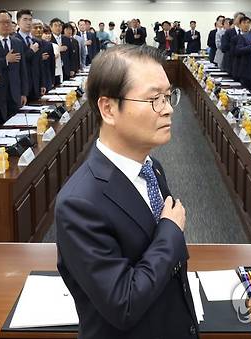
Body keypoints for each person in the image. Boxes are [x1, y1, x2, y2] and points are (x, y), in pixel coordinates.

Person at [56, 43, 198, 339]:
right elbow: (124, 303)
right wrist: (171, 231)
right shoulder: (79, 203)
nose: (169, 108)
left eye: (169, 96)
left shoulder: (151, 167)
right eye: (154, 99)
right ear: (108, 108)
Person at [0, 10, 28, 116]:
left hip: (15, 93)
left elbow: (22, 69)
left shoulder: (17, 42)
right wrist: (5, 60)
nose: (6, 25)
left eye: (9, 22)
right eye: (2, 22)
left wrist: (24, 93)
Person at [14, 10, 47, 101]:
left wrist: (42, 83)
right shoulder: (14, 40)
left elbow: (40, 64)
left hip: (36, 84)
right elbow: (19, 61)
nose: (28, 22)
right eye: (25, 19)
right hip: (22, 86)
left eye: (30, 19)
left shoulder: (37, 41)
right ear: (18, 22)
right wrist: (31, 51)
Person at [32, 19, 54, 92]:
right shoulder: (28, 43)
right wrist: (39, 58)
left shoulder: (48, 44)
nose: (38, 30)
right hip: (33, 80)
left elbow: (52, 64)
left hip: (47, 79)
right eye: (35, 28)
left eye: (40, 28)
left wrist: (52, 81)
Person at [233, 16, 251, 88]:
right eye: (244, 23)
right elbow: (235, 52)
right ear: (239, 25)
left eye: (248, 23)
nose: (246, 25)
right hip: (240, 67)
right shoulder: (236, 37)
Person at [50, 17, 72, 83]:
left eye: (60, 26)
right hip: (55, 70)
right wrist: (58, 49)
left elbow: (71, 55)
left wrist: (72, 69)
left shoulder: (66, 39)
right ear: (51, 27)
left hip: (66, 69)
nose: (58, 28)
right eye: (55, 25)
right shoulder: (48, 39)